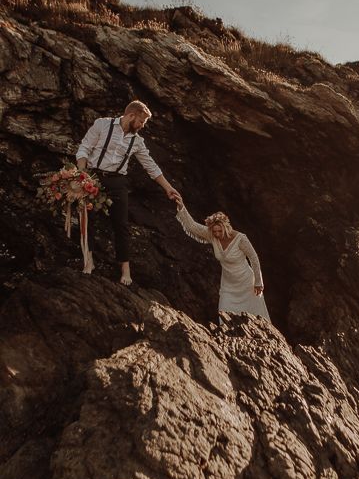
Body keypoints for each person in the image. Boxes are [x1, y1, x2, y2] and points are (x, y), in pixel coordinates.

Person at [76, 100, 179, 285]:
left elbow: (150, 166)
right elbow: (84, 148)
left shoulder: (137, 141)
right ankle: (88, 262)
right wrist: (82, 175)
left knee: (121, 225)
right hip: (93, 177)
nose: (142, 126)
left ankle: (125, 270)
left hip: (118, 182)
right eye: (141, 121)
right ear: (131, 115)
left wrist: (168, 188)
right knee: (87, 219)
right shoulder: (102, 124)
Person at [173, 194, 271, 321]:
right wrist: (181, 206)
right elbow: (192, 226)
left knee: (257, 318)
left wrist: (258, 282)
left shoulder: (240, 238)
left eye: (220, 231)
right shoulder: (212, 236)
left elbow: (254, 258)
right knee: (225, 316)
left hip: (247, 284)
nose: (217, 234)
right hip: (228, 286)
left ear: (226, 227)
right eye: (214, 231)